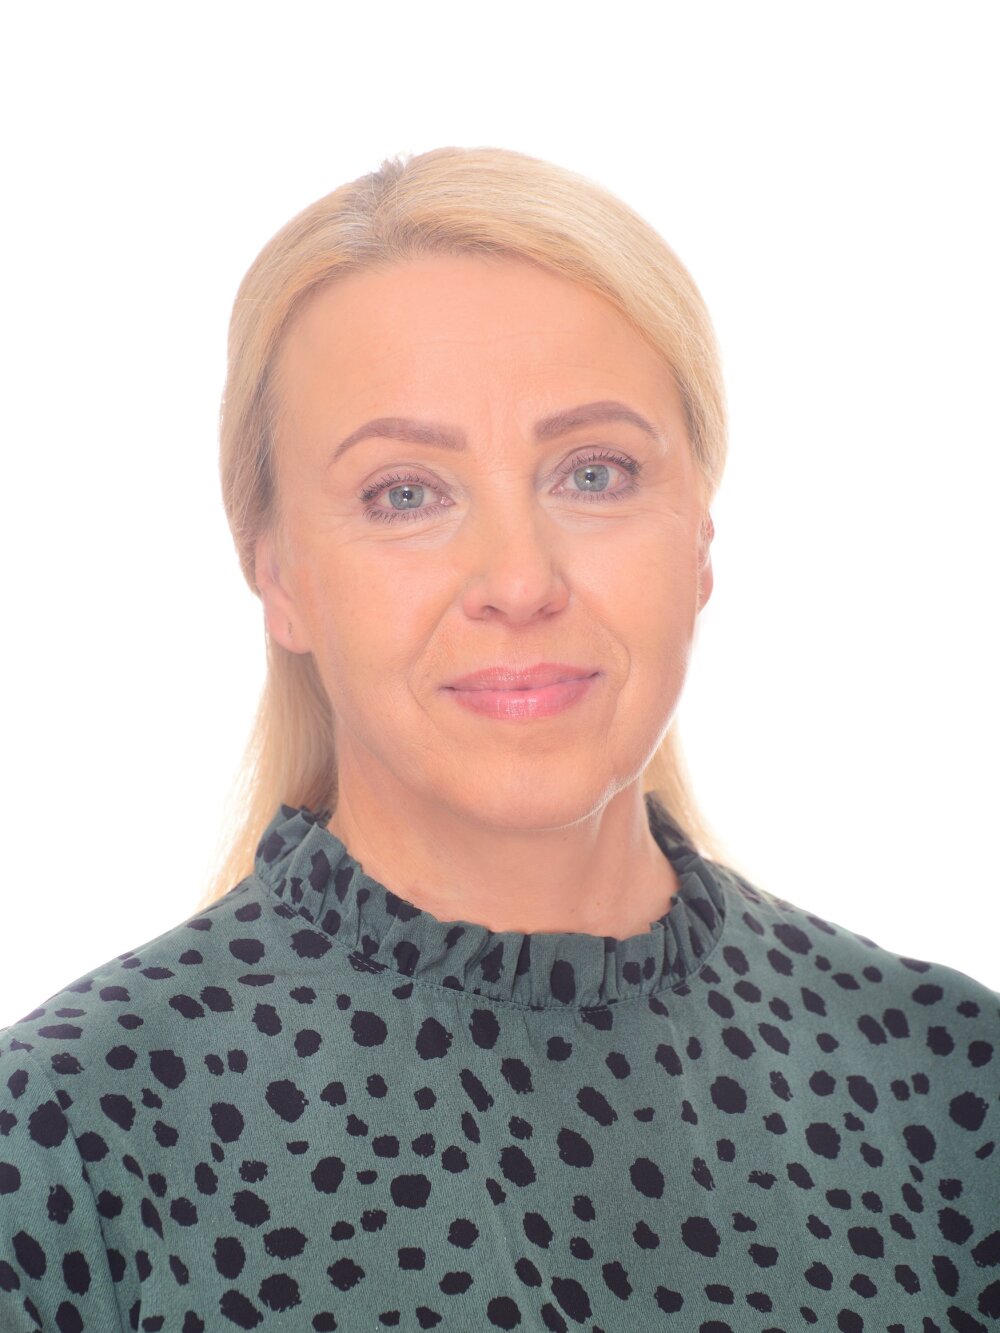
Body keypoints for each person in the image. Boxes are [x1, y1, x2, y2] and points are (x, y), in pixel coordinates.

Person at [1, 148, 996, 1333]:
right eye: (404, 494)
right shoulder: (66, 1137)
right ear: (278, 572)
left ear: (699, 536)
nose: (519, 582)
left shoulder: (951, 1082)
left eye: (594, 473)